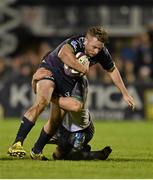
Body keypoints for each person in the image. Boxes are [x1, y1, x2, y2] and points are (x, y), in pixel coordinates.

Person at [8, 26, 135, 158]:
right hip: (50, 70)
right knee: (42, 103)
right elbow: (63, 54)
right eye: (94, 47)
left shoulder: (102, 52)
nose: (97, 51)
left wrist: (125, 93)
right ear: (86, 41)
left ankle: (36, 151)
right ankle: (17, 144)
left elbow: (112, 70)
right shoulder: (76, 42)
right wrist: (82, 68)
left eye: (99, 48)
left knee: (55, 121)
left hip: (68, 82)